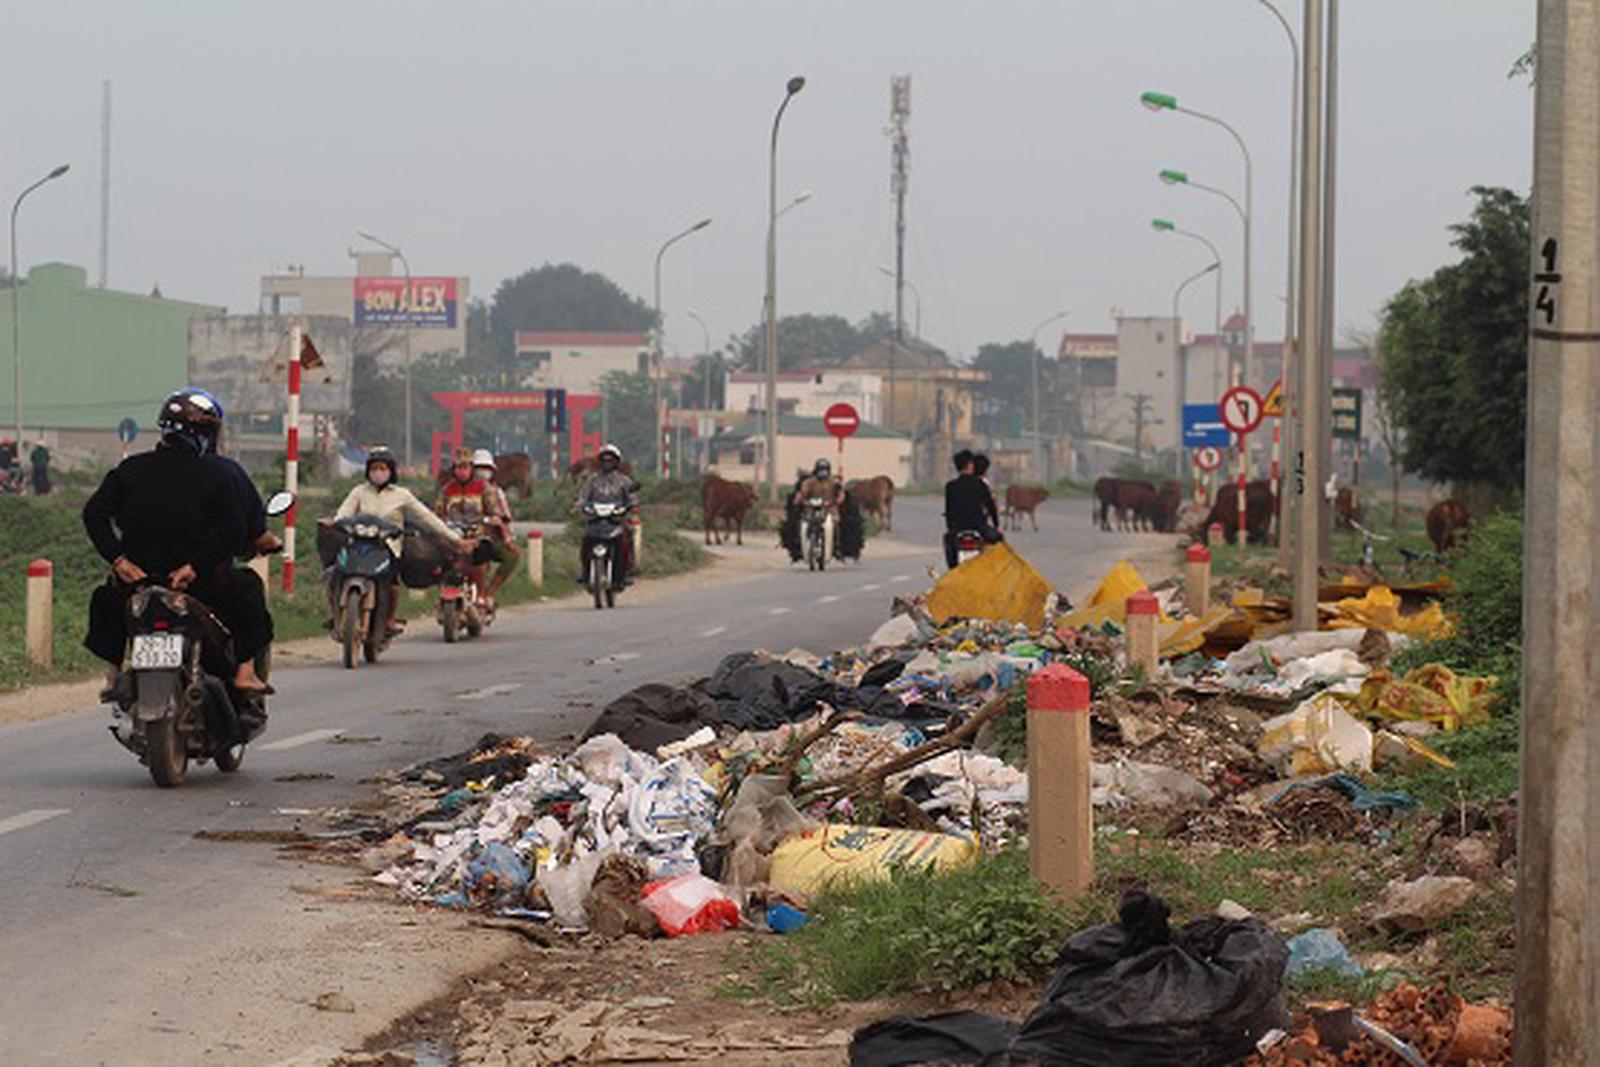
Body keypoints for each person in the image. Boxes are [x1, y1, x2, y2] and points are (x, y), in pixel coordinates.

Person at [82, 388, 268, 695]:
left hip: (139, 583)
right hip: (200, 584)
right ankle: (245, 672)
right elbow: (233, 530)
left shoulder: (131, 470)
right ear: (207, 434)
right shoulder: (219, 473)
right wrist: (195, 567)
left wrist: (119, 561)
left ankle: (113, 673)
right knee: (248, 588)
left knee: (108, 597)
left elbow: (94, 514)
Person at [326, 446, 465, 636]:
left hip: (388, 547)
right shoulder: (359, 492)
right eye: (374, 468)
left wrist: (455, 539)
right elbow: (344, 513)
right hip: (359, 544)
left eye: (382, 468)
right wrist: (335, 523)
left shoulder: (402, 495)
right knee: (335, 574)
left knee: (391, 583)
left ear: (391, 471)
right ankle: (335, 614)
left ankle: (390, 619)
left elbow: (427, 518)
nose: (378, 472)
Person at [575, 443, 640, 587]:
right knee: (586, 540)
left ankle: (626, 572)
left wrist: (631, 506)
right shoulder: (592, 480)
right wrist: (580, 506)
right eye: (604, 460)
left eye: (610, 460)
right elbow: (583, 496)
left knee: (626, 539)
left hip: (617, 519)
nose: (607, 463)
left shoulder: (624, 481)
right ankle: (585, 571)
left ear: (616, 462)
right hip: (596, 518)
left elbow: (632, 497)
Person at [472, 448, 521, 608]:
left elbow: (504, 518)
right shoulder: (458, 490)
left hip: (488, 537)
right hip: (463, 536)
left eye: (486, 468)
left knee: (511, 556)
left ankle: (489, 592)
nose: (482, 472)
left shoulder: (496, 492)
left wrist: (508, 539)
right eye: (479, 468)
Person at [942, 449, 1004, 569]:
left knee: (948, 541)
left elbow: (949, 511)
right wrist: (997, 525)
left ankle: (953, 570)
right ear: (970, 465)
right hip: (979, 527)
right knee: (999, 539)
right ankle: (996, 570)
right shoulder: (980, 484)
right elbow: (990, 506)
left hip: (959, 527)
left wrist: (951, 528)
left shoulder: (950, 486)